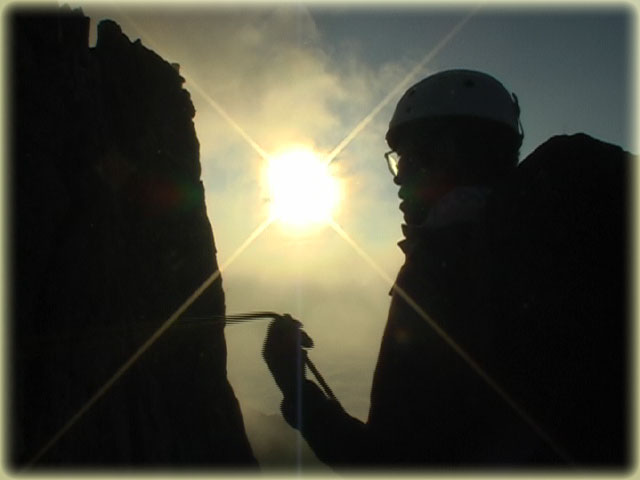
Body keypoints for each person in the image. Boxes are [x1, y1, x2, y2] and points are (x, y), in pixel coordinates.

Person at [263, 69, 629, 469]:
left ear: (451, 152)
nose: (399, 176)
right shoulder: (569, 249)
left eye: (408, 157)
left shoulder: (449, 269)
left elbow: (389, 465)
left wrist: (296, 389)